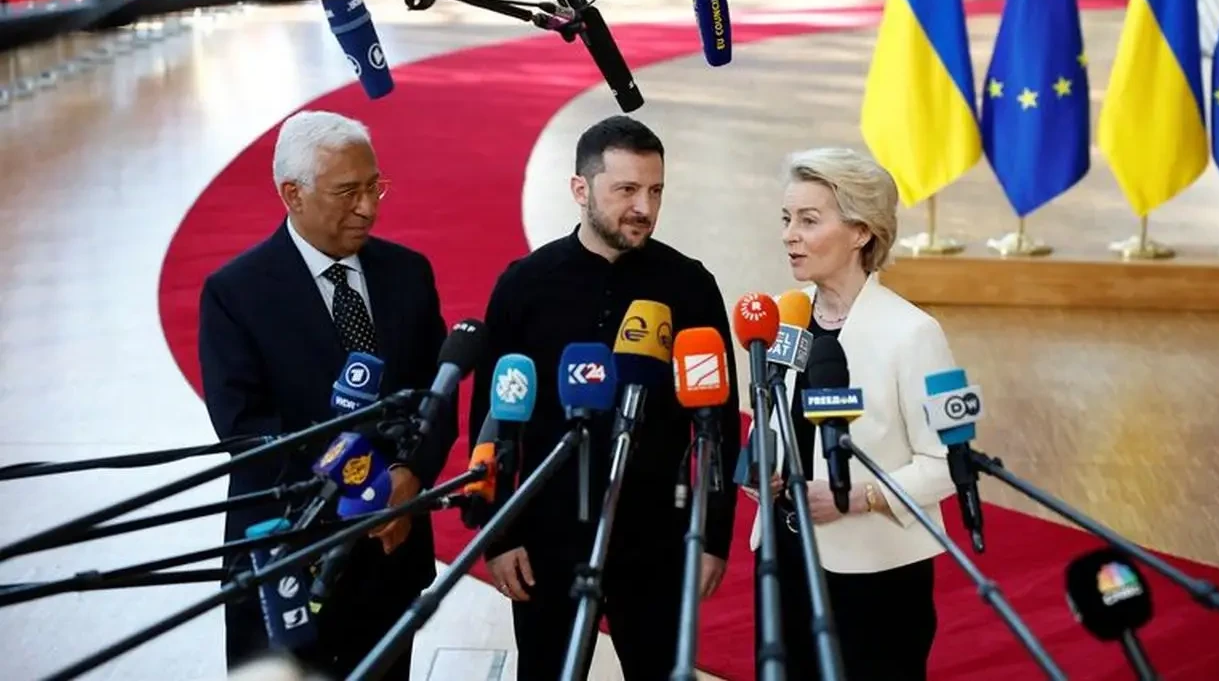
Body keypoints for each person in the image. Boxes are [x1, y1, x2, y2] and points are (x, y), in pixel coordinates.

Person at [468, 114, 742, 680]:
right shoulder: (525, 284)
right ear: (580, 189)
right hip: (548, 537)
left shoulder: (689, 286)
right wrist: (498, 535)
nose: (644, 207)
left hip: (657, 538)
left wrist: (713, 538)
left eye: (656, 190)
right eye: (627, 190)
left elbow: (717, 425)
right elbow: (492, 423)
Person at [198, 110, 453, 681]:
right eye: (347, 192)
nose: (368, 207)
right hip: (287, 559)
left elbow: (435, 395)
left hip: (390, 556)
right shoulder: (235, 294)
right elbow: (247, 429)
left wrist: (410, 475)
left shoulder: (408, 274)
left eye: (374, 187)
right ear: (292, 194)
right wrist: (364, 487)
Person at [745, 146, 958, 681]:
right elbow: (772, 422)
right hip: (784, 559)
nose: (789, 235)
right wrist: (758, 468)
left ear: (861, 231)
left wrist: (858, 497)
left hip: (874, 578)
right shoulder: (785, 317)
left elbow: (949, 463)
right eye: (787, 219)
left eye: (808, 220)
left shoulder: (914, 334)